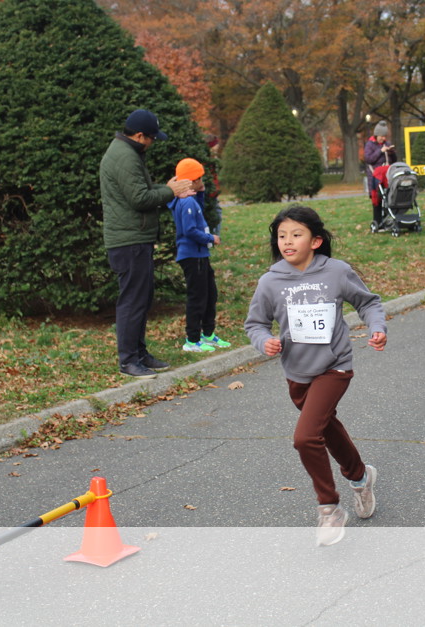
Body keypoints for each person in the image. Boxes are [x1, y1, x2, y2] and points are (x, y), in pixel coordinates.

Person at [244, 205, 387, 546]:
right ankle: (360, 477)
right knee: (325, 427)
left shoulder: (336, 272)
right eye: (281, 236)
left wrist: (377, 327)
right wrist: (264, 341)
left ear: (316, 241)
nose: (287, 241)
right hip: (297, 370)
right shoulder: (270, 281)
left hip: (334, 365)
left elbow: (367, 302)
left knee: (306, 437)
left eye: (296, 234)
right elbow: (255, 324)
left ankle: (329, 508)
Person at [100, 108, 192, 379]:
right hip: (129, 239)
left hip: (134, 237)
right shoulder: (125, 157)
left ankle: (139, 354)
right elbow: (139, 199)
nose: (153, 142)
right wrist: (170, 191)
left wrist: (165, 189)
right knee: (132, 300)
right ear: (140, 136)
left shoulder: (126, 152)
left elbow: (140, 191)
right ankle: (129, 360)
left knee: (141, 298)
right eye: (151, 137)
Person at [169, 157, 231, 354]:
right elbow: (189, 230)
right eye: (200, 179)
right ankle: (192, 339)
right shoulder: (186, 201)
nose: (202, 181)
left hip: (200, 255)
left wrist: (201, 192)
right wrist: (210, 238)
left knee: (210, 294)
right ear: (191, 181)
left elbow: (199, 212)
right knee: (198, 298)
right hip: (192, 256)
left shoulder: (190, 200)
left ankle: (208, 334)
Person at [363, 121, 397, 227]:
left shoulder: (387, 144)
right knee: (377, 200)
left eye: (385, 136)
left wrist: (392, 152)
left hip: (386, 176)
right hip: (375, 177)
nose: (383, 138)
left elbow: (394, 160)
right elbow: (368, 159)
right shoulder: (369, 145)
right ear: (376, 135)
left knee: (387, 199)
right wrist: (380, 151)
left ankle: (386, 220)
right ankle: (377, 222)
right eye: (381, 136)